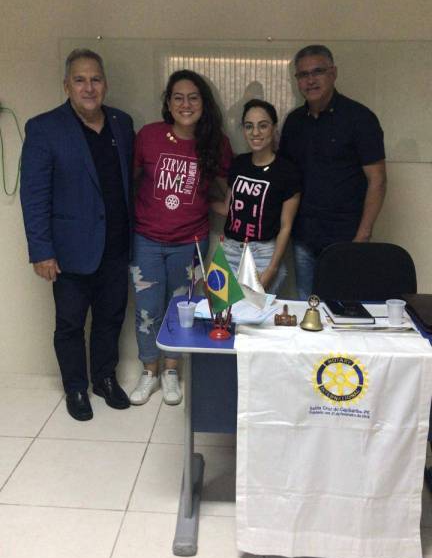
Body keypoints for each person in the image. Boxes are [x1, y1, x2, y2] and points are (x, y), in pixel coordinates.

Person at [20, 49, 134, 421]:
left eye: (95, 79)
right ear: (66, 85)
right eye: (80, 80)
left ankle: (104, 378)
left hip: (116, 245)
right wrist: (41, 251)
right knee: (70, 324)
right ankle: (75, 387)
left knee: (110, 318)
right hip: (69, 251)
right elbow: (34, 196)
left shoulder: (121, 123)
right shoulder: (44, 128)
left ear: (105, 84)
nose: (89, 87)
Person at [129, 69, 232, 406]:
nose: (186, 104)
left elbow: (227, 192)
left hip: (190, 243)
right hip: (146, 241)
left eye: (193, 97)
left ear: (204, 103)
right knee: (147, 311)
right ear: (168, 103)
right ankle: (149, 371)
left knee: (181, 309)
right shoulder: (149, 136)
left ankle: (171, 371)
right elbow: (129, 183)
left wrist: (217, 207)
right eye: (178, 97)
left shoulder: (216, 143)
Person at [278, 45, 387, 300]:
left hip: (346, 238)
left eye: (318, 71)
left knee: (344, 309)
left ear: (333, 73)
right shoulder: (294, 122)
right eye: (303, 74)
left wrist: (362, 237)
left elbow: (378, 180)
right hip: (304, 238)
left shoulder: (360, 119)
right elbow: (286, 179)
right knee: (309, 306)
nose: (310, 80)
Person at [213, 99, 301, 293]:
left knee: (252, 311)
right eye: (249, 126)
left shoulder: (287, 171)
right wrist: (199, 200)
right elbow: (228, 207)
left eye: (263, 126)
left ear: (274, 128)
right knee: (219, 309)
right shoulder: (239, 164)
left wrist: (272, 269)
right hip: (230, 250)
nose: (255, 132)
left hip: (263, 255)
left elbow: (286, 227)